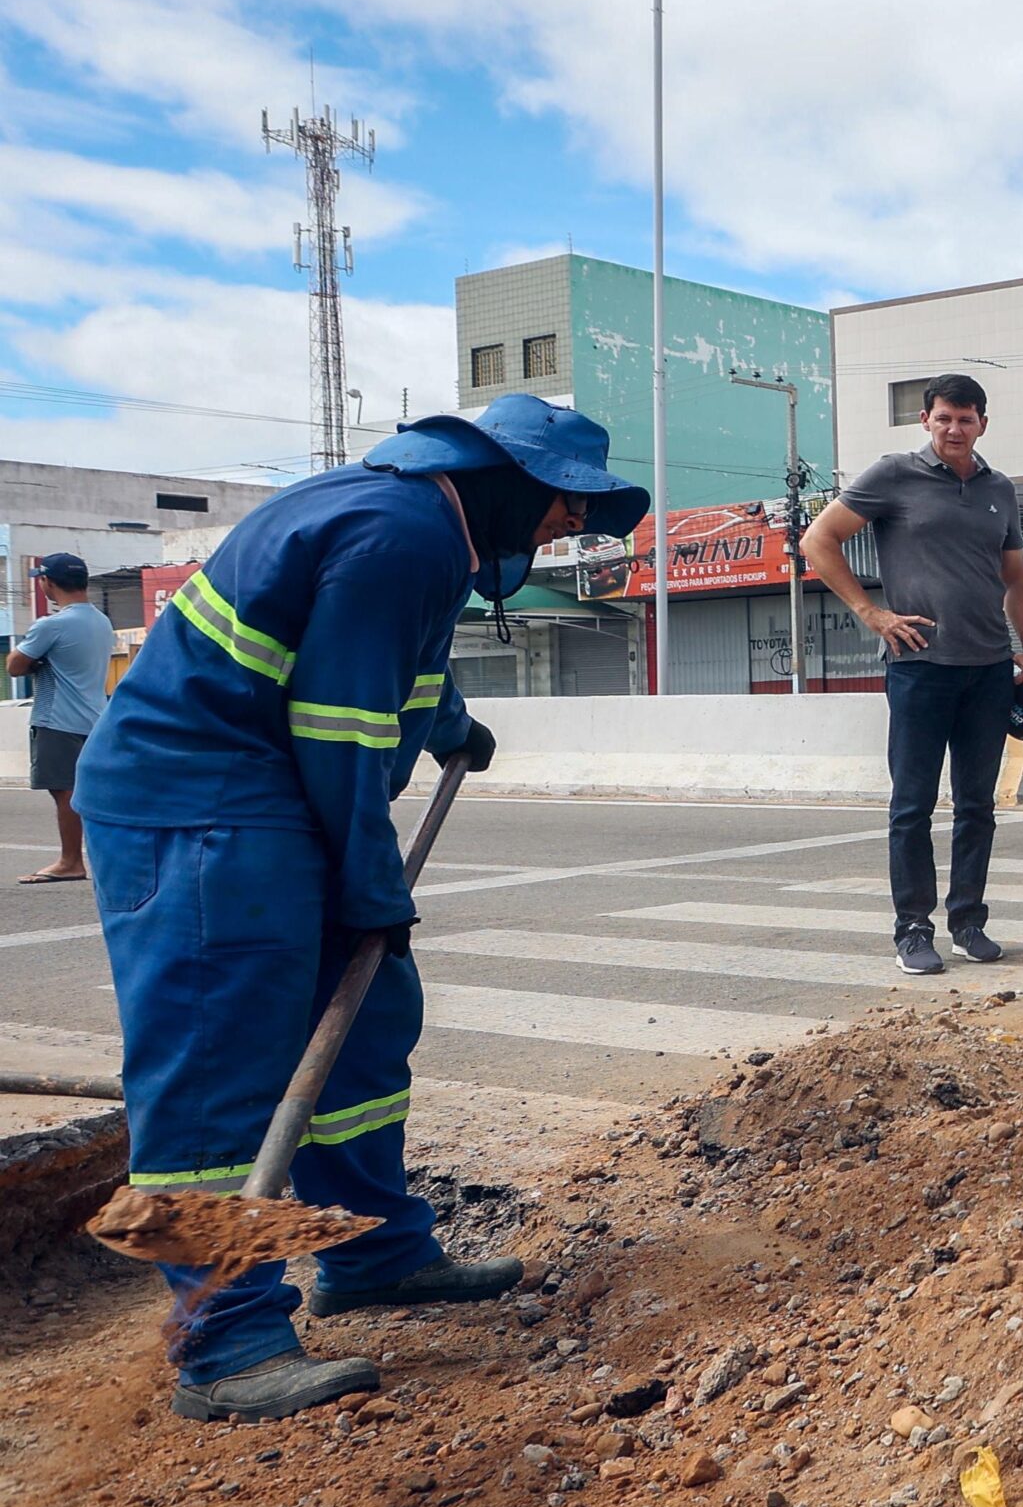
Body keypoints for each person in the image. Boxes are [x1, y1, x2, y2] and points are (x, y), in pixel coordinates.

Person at [73, 394, 649, 1420]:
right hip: (198, 801)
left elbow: (383, 658)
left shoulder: (426, 530)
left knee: (366, 1026)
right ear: (505, 480)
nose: (571, 522)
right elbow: (339, 731)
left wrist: (447, 721)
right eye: (565, 500)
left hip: (269, 793)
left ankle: (373, 1253)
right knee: (215, 1066)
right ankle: (225, 1341)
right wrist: (371, 886)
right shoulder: (400, 531)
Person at [804, 373, 1023, 975]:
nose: (954, 429)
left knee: (977, 805)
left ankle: (968, 922)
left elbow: (1014, 578)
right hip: (919, 667)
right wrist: (872, 613)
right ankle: (913, 929)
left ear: (982, 423)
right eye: (944, 418)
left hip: (989, 668)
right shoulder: (893, 474)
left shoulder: (999, 488)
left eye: (966, 419)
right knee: (912, 806)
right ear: (925, 420)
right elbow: (818, 540)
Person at [9, 553, 115, 883]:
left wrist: (35, 661)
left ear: (47, 582)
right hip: (95, 718)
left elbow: (14, 666)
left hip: (58, 719)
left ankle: (71, 862)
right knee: (89, 791)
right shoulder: (101, 621)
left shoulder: (51, 624)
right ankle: (98, 858)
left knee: (64, 791)